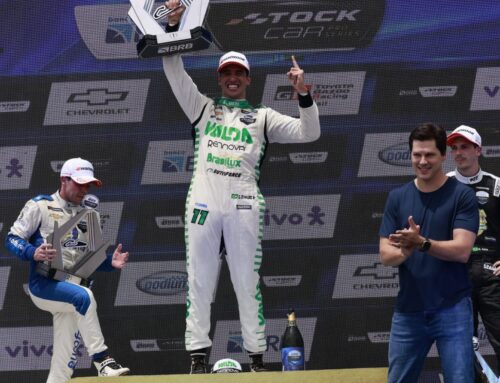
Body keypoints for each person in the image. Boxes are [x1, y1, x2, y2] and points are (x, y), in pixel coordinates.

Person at [162, 0, 321, 374]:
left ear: (249, 78)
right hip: (203, 200)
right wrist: (172, 28)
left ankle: (255, 359)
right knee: (200, 279)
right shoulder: (201, 109)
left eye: (239, 72)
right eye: (227, 72)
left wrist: (303, 95)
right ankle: (198, 357)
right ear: (219, 77)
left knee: (246, 281)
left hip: (244, 202)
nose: (233, 77)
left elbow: (309, 132)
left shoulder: (263, 117)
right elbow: (172, 67)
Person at [5, 157, 130, 383]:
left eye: (88, 185)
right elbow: (12, 238)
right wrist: (32, 252)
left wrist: (110, 262)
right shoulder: (40, 206)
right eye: (79, 183)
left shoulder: (90, 215)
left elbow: (90, 259)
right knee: (85, 297)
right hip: (44, 286)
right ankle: (103, 361)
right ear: (64, 180)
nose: (84, 190)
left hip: (71, 286)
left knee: (64, 361)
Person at [379, 123, 479, 383]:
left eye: (430, 155)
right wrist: (407, 250)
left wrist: (422, 243)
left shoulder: (462, 196)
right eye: (417, 154)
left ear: (443, 155)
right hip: (408, 310)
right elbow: (386, 255)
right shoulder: (397, 197)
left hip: (453, 308)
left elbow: (462, 250)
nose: (422, 161)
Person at [446, 125, 500, 378]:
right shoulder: (442, 185)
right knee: (461, 347)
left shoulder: (497, 185)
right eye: (454, 148)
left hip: (492, 272)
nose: (458, 152)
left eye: (464, 147)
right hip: (456, 272)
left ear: (478, 150)